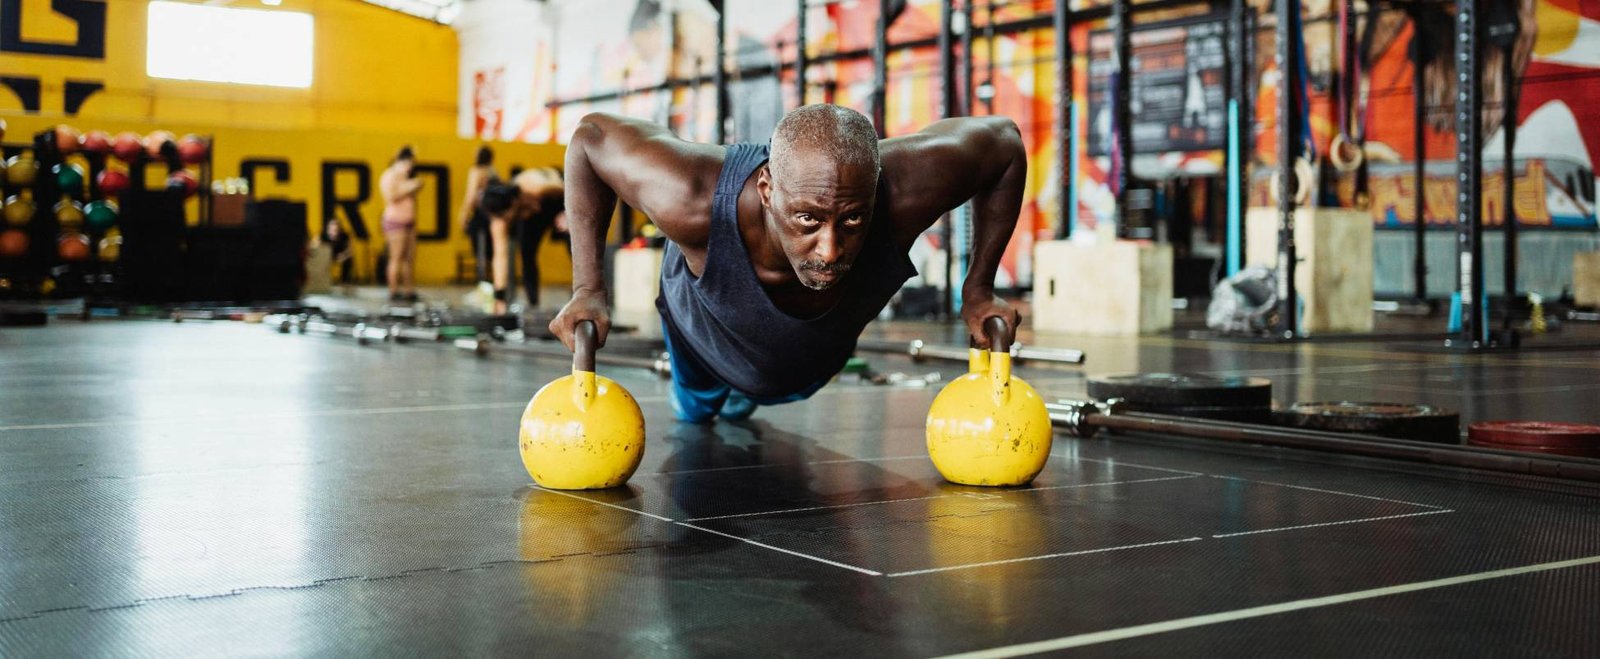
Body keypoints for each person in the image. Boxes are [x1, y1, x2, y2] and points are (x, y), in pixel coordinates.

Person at [549, 104, 1025, 423]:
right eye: (807, 218)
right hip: (703, 341)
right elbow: (591, 137)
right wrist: (588, 287)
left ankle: (748, 395)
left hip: (807, 367)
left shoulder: (905, 191)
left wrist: (978, 288)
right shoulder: (692, 197)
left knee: (763, 394)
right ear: (767, 191)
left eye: (853, 218)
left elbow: (1003, 142)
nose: (830, 250)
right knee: (697, 413)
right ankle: (713, 396)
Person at [480, 167, 565, 314]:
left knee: (576, 245)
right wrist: (499, 297)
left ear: (514, 202)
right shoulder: (499, 220)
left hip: (560, 199)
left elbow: (575, 188)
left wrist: (569, 213)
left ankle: (585, 295)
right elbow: (500, 256)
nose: (504, 222)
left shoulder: (538, 186)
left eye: (506, 217)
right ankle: (533, 305)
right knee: (527, 253)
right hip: (535, 215)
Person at [380, 145, 423, 303]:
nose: (411, 166)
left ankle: (408, 290)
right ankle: (393, 290)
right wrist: (410, 186)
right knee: (396, 257)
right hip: (395, 221)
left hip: (409, 221)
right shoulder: (390, 175)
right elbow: (391, 196)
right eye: (409, 163)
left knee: (409, 258)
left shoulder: (406, 177)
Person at [454, 145, 497, 300]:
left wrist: (464, 215)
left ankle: (483, 288)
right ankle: (494, 286)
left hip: (481, 216)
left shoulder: (476, 171)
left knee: (480, 253)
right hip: (493, 216)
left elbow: (471, 196)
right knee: (492, 254)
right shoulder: (493, 171)